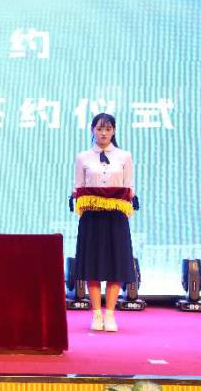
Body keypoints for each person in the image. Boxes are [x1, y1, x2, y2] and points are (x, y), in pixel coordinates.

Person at [72, 113, 136, 333]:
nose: (103, 133)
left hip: (116, 218)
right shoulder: (83, 157)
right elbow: (78, 187)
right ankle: (96, 314)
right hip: (92, 217)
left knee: (116, 265)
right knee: (92, 264)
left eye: (108, 129)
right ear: (92, 130)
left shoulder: (124, 156)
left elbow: (130, 187)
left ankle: (110, 315)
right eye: (99, 129)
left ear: (114, 131)